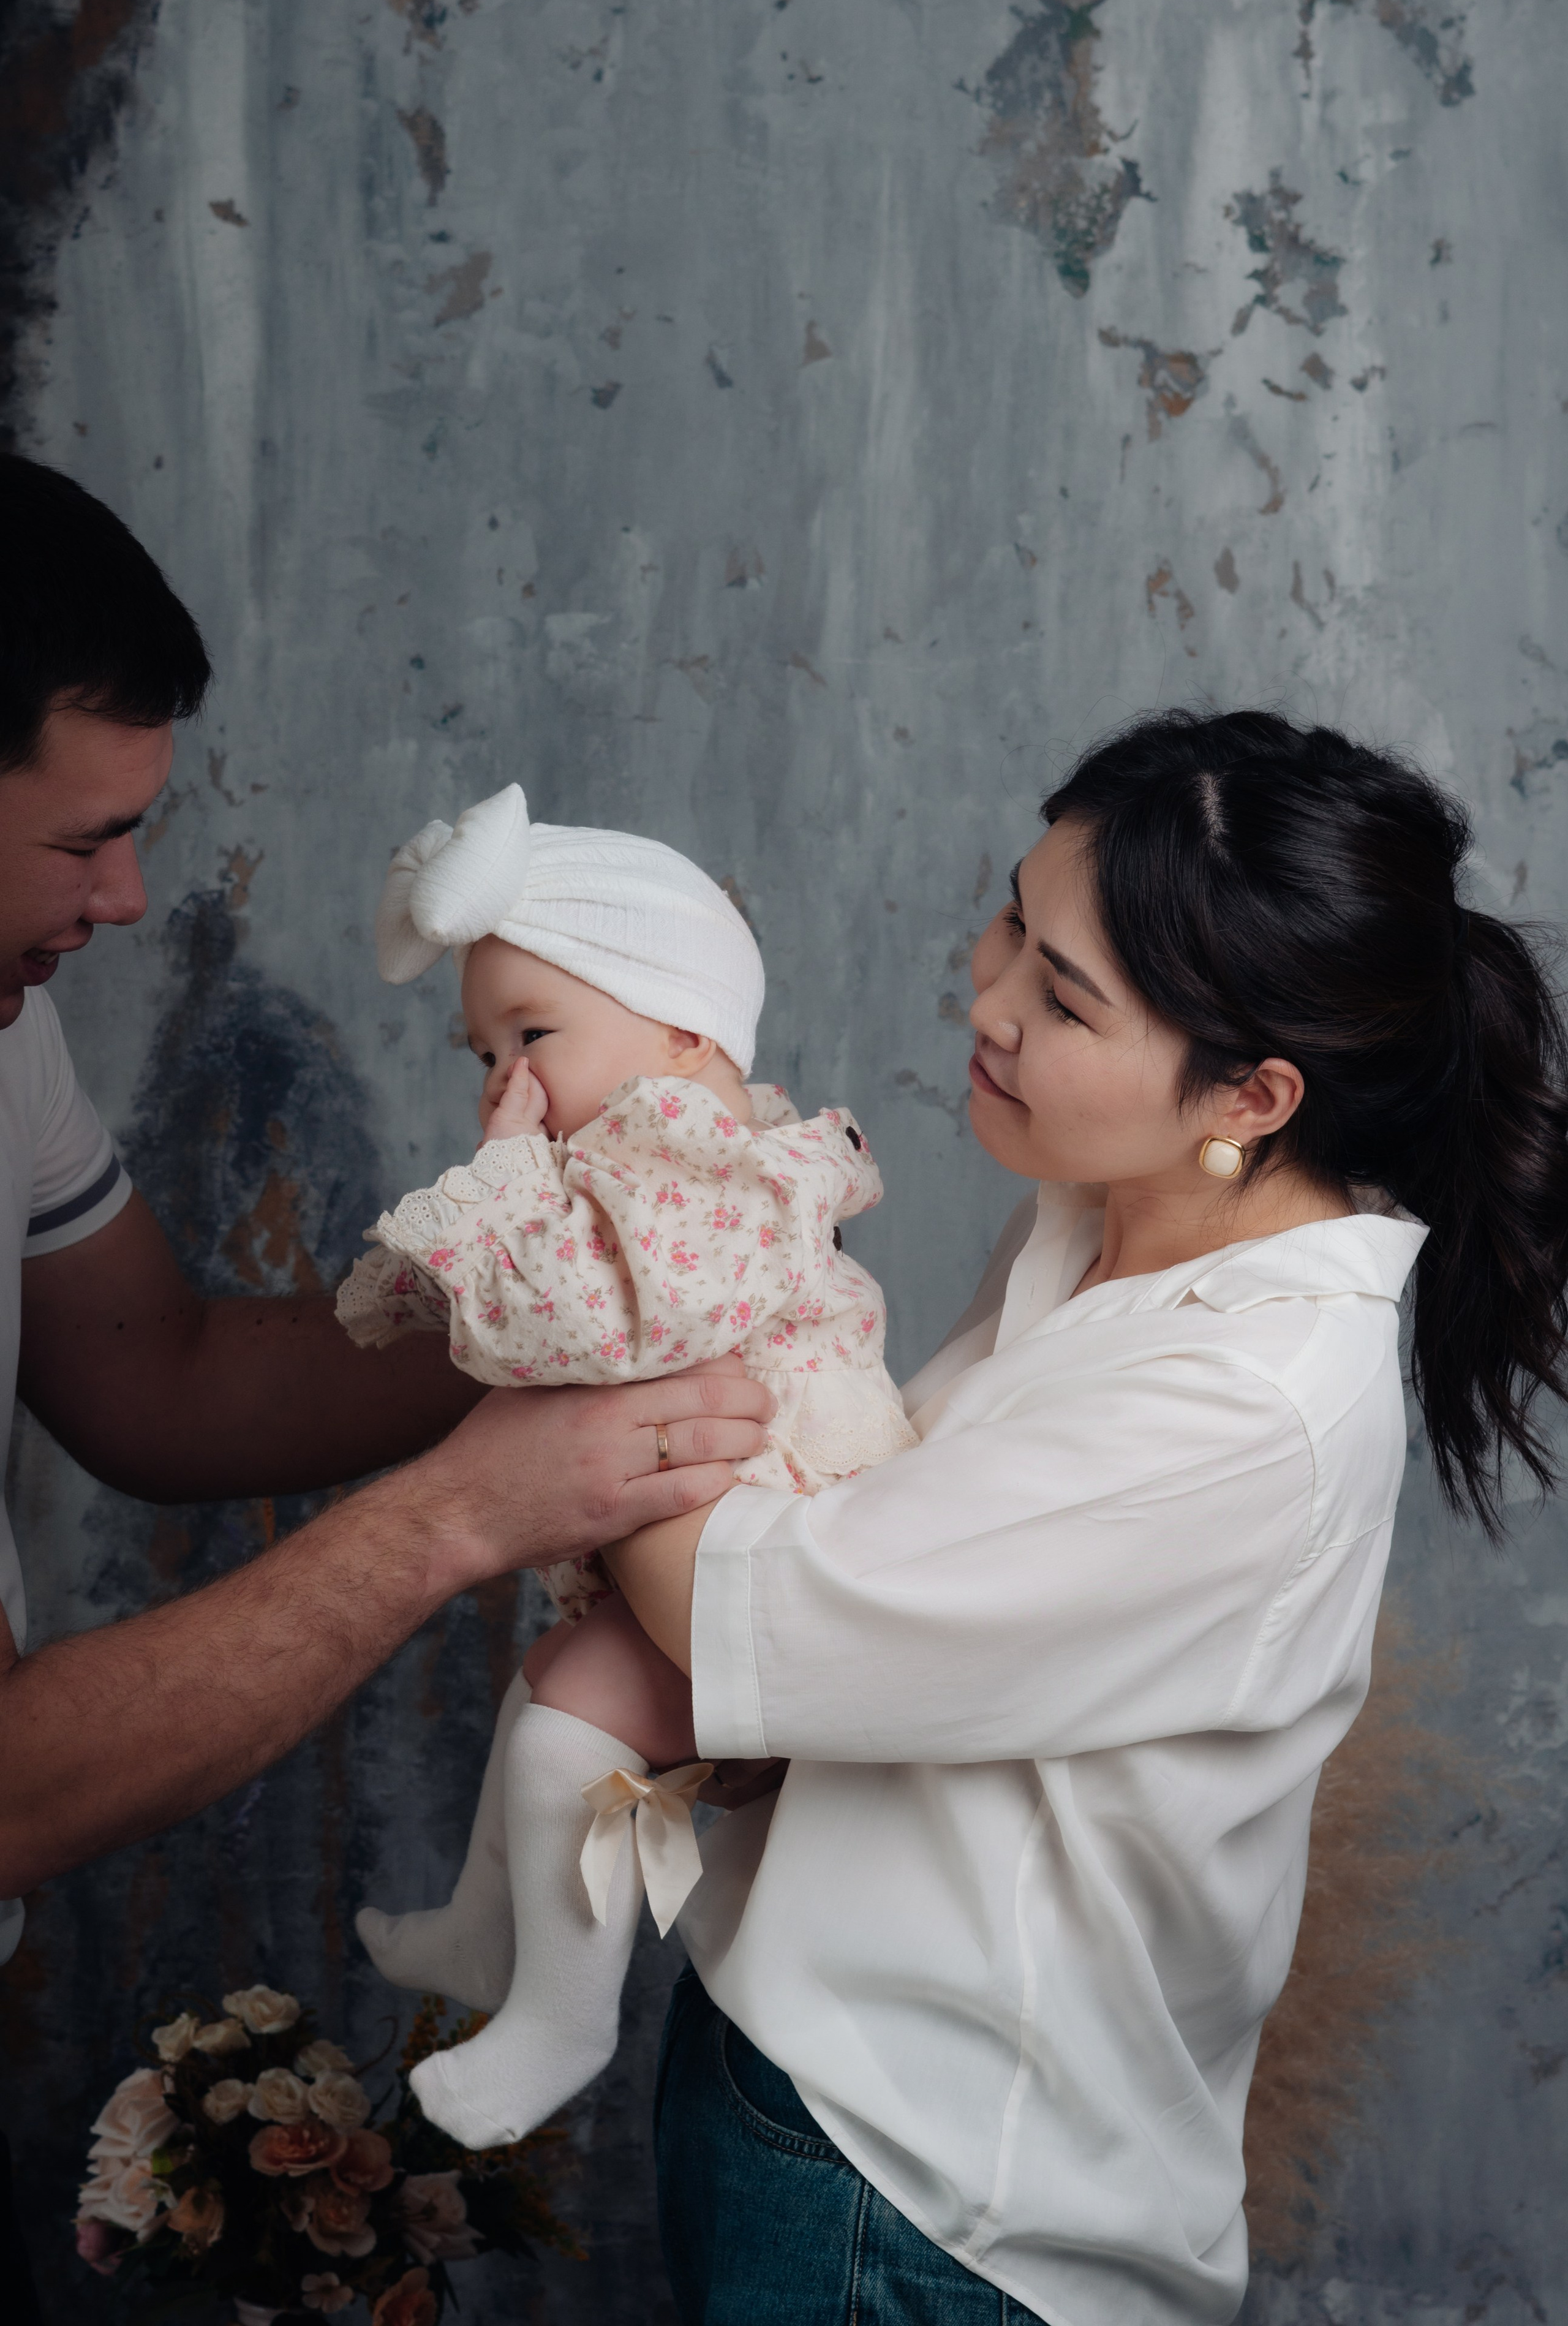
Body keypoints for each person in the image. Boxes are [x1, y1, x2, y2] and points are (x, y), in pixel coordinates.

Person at [600, 711, 1568, 2326]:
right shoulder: (1109, 1221)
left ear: (1256, 1095)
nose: (984, 999)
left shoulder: (1239, 1407)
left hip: (927, 2195)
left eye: (1061, 998)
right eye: (1012, 922)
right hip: (817, 2068)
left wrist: (585, 1328)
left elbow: (739, 1618)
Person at [0, 456, 772, 2319]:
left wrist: (554, 1317)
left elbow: (159, 1377)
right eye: (77, 842)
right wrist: (461, 1518)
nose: (126, 900)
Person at [331, 781, 916, 2147]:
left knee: (566, 1744)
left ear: (678, 1026)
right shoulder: (644, 1159)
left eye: (533, 1035)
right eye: (485, 1051)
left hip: (781, 1551)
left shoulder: (705, 1166)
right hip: (712, 1526)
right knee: (550, 1695)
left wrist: (505, 1179)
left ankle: (560, 2020)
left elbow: (590, 1329)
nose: (509, 1086)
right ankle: (490, 1936)